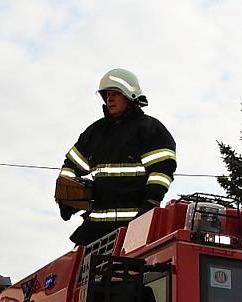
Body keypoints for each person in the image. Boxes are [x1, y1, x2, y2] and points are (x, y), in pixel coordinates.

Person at [56, 68, 177, 245]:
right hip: (94, 230)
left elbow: (162, 170)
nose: (109, 98)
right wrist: (65, 197)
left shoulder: (149, 129)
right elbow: (71, 165)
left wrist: (151, 202)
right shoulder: (94, 133)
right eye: (106, 94)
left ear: (130, 95)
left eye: (115, 93)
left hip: (133, 226)